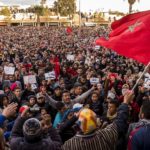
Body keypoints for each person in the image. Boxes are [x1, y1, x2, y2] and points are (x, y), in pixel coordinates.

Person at [62, 91, 133, 150]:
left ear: (78, 125)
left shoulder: (70, 145)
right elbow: (120, 122)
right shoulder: (105, 136)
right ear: (96, 123)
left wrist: (75, 117)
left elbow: (60, 130)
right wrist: (125, 103)